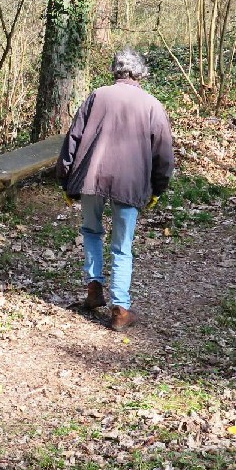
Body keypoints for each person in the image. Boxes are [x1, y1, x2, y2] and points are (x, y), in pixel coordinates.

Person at [56, 48, 175, 332]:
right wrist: (159, 188)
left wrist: (64, 178)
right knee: (122, 247)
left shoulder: (97, 96)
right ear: (139, 74)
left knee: (91, 231)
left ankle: (94, 288)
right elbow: (164, 154)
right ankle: (120, 309)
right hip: (130, 183)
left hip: (91, 179)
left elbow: (72, 138)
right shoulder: (151, 105)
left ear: (116, 71)